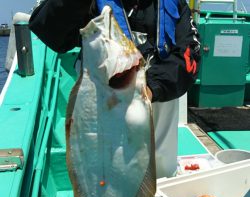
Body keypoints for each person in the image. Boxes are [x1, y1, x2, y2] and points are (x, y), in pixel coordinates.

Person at [29, 0, 200, 178]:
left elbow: (190, 56)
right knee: (100, 177)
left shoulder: (176, 4)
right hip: (100, 101)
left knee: (160, 175)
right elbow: (48, 30)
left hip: (156, 98)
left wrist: (149, 88)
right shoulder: (93, 4)